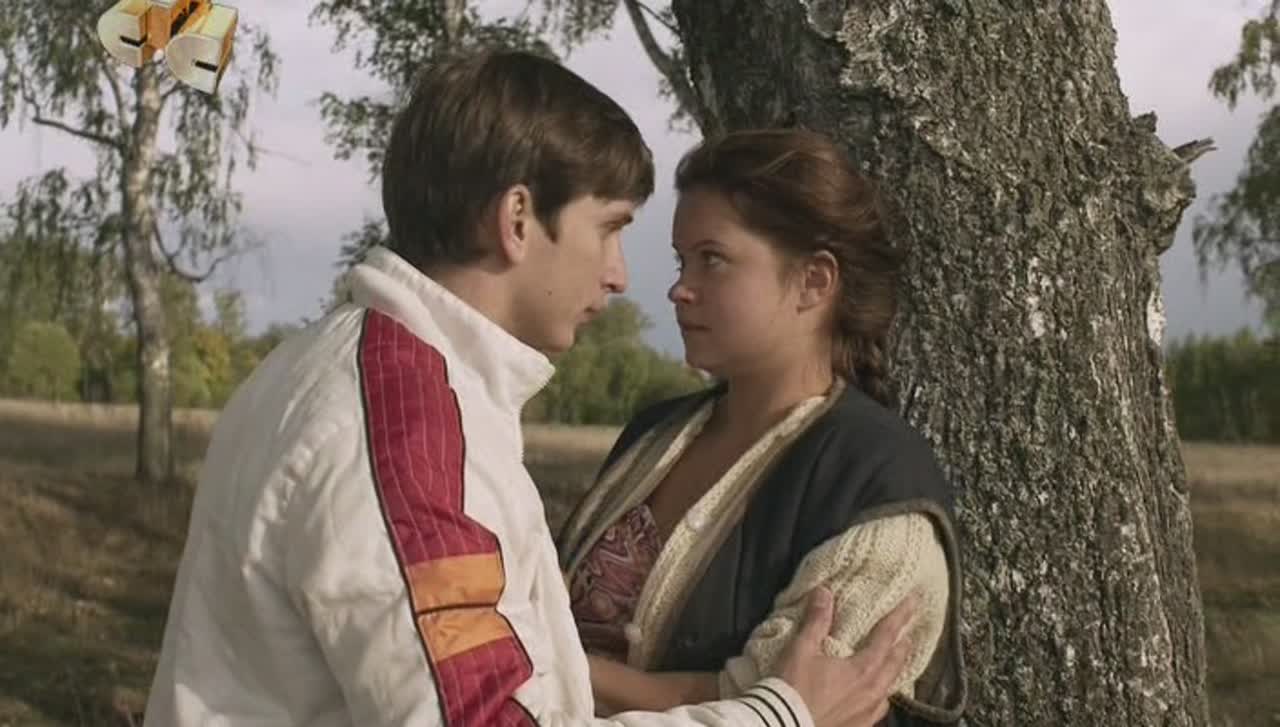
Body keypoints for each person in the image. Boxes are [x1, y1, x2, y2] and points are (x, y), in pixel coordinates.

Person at [141, 50, 920, 727]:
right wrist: (779, 714)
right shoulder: (402, 429)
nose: (620, 275)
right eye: (609, 228)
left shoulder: (347, 372)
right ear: (517, 218)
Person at [557, 129, 968, 725]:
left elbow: (783, 703)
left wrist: (545, 663)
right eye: (681, 260)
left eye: (713, 259)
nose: (679, 289)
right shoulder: (653, 435)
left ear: (814, 282)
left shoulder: (878, 485)